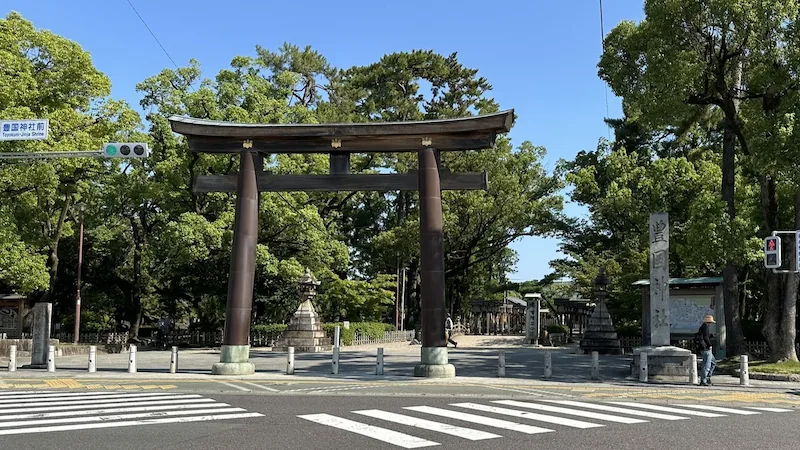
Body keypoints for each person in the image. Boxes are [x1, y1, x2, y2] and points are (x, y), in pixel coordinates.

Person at [697, 314, 717, 386]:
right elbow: (705, 337)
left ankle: (708, 377)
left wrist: (710, 336)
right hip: (706, 348)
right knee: (707, 364)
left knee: (713, 362)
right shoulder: (705, 327)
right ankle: (704, 380)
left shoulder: (703, 327)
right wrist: (710, 344)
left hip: (704, 348)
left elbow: (705, 335)